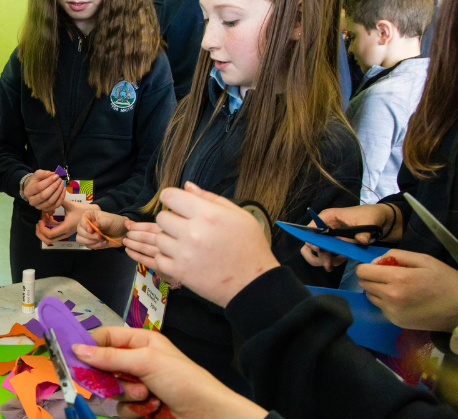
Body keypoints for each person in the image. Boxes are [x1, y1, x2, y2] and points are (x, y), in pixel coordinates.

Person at [75, 0, 362, 394]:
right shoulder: (195, 112)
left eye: (229, 20)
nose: (207, 39)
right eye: (206, 18)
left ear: (296, 22)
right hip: (156, 340)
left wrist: (193, 273)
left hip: (228, 386)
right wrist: (122, 224)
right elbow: (153, 201)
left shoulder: (328, 152)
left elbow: (287, 305)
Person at [53, 183, 458, 419]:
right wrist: (206, 407)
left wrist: (251, 285)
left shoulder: (327, 149)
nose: (208, 45)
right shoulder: (203, 109)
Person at [0, 0, 176, 315]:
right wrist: (24, 183)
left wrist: (99, 211)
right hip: (38, 231)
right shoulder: (26, 58)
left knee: (98, 345)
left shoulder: (149, 63)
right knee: (35, 339)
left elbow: (156, 169)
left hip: (105, 237)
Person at [303, 0, 458, 338]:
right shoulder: (437, 89)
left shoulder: (383, 98)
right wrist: (384, 216)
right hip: (413, 334)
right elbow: (430, 196)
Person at [345, 0, 434, 204]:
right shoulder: (428, 81)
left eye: (353, 36)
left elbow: (360, 188)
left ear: (384, 32)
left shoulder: (382, 98)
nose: (350, 49)